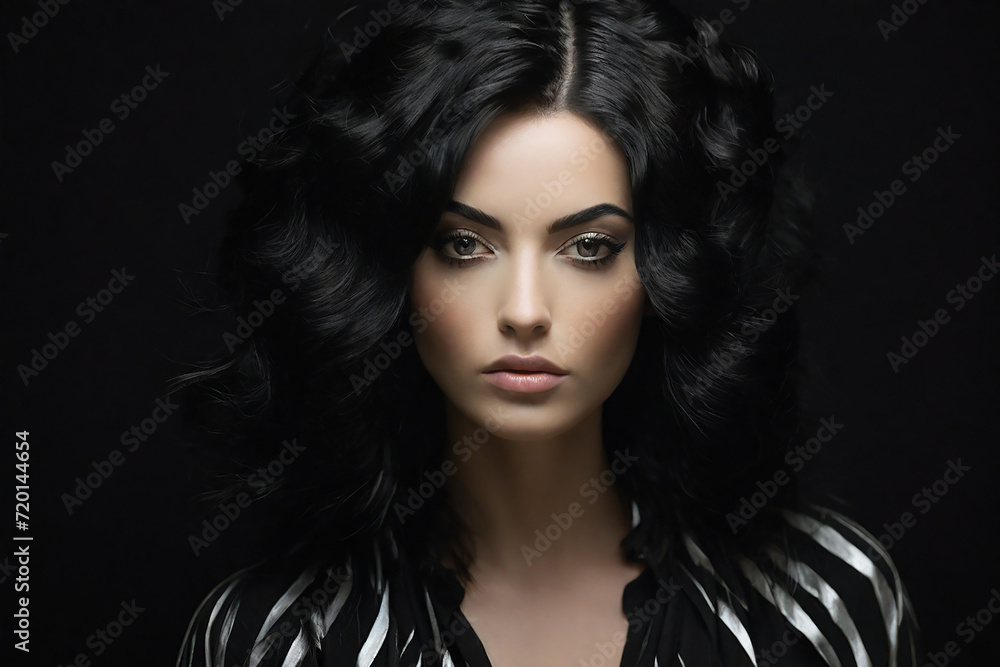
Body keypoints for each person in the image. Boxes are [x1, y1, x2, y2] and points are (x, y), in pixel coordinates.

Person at [173, 1, 921, 665]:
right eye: (465, 244)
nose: (525, 309)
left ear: (665, 278)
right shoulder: (277, 640)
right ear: (392, 270)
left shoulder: (823, 608)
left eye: (589, 247)